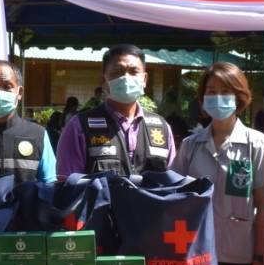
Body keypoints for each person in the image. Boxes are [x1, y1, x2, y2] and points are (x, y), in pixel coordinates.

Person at [171, 61, 264, 265]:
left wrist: (260, 260)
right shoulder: (190, 146)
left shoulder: (257, 144)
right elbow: (174, 200)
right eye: (211, 92)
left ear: (240, 96)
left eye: (226, 91)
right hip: (196, 254)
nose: (218, 98)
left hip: (240, 256)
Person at [55, 44, 175, 177]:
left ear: (145, 79)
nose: (126, 79)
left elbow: (172, 182)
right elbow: (68, 185)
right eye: (117, 72)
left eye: (134, 72)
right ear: (103, 80)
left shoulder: (161, 127)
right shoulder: (79, 126)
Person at [0, 59, 56, 184]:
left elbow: (50, 183)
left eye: (7, 87)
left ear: (19, 92)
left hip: (26, 204)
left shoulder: (38, 134)